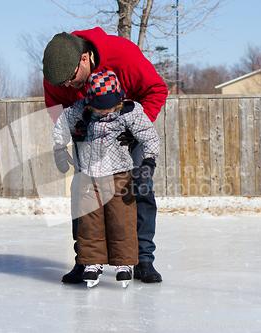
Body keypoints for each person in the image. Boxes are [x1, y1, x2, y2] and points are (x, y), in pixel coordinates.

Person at [43, 27, 168, 284]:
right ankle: (85, 260)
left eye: (71, 78)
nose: (67, 85)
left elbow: (156, 89)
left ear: (84, 59)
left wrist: (135, 131)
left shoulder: (124, 56)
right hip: (87, 136)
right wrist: (72, 135)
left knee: (137, 190)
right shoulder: (57, 74)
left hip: (125, 131)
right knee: (85, 197)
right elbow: (57, 109)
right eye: (62, 82)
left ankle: (143, 259)